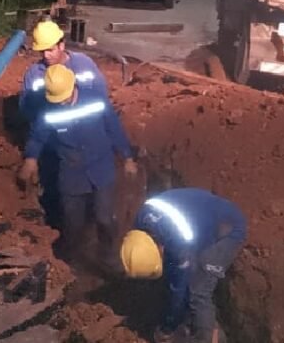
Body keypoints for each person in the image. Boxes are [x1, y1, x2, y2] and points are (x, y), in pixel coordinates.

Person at [18, 64, 137, 271]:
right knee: (72, 223)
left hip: (101, 169)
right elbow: (37, 137)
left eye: (64, 96)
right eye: (57, 99)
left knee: (105, 218)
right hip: (71, 174)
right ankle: (70, 263)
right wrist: (31, 159)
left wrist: (127, 157)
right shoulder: (48, 111)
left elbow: (114, 129)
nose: (62, 102)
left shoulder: (96, 100)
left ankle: (108, 256)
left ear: (74, 85)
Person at [120, 188, 247, 343]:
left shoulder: (180, 245)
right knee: (183, 276)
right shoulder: (141, 220)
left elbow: (179, 290)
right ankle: (194, 320)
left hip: (228, 229)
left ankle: (209, 337)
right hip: (202, 218)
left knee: (199, 291)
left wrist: (167, 328)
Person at [19, 20, 107, 122]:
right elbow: (26, 110)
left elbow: (101, 95)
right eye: (42, 51)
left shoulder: (84, 64)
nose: (46, 55)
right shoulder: (34, 75)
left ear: (61, 45)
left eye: (50, 50)